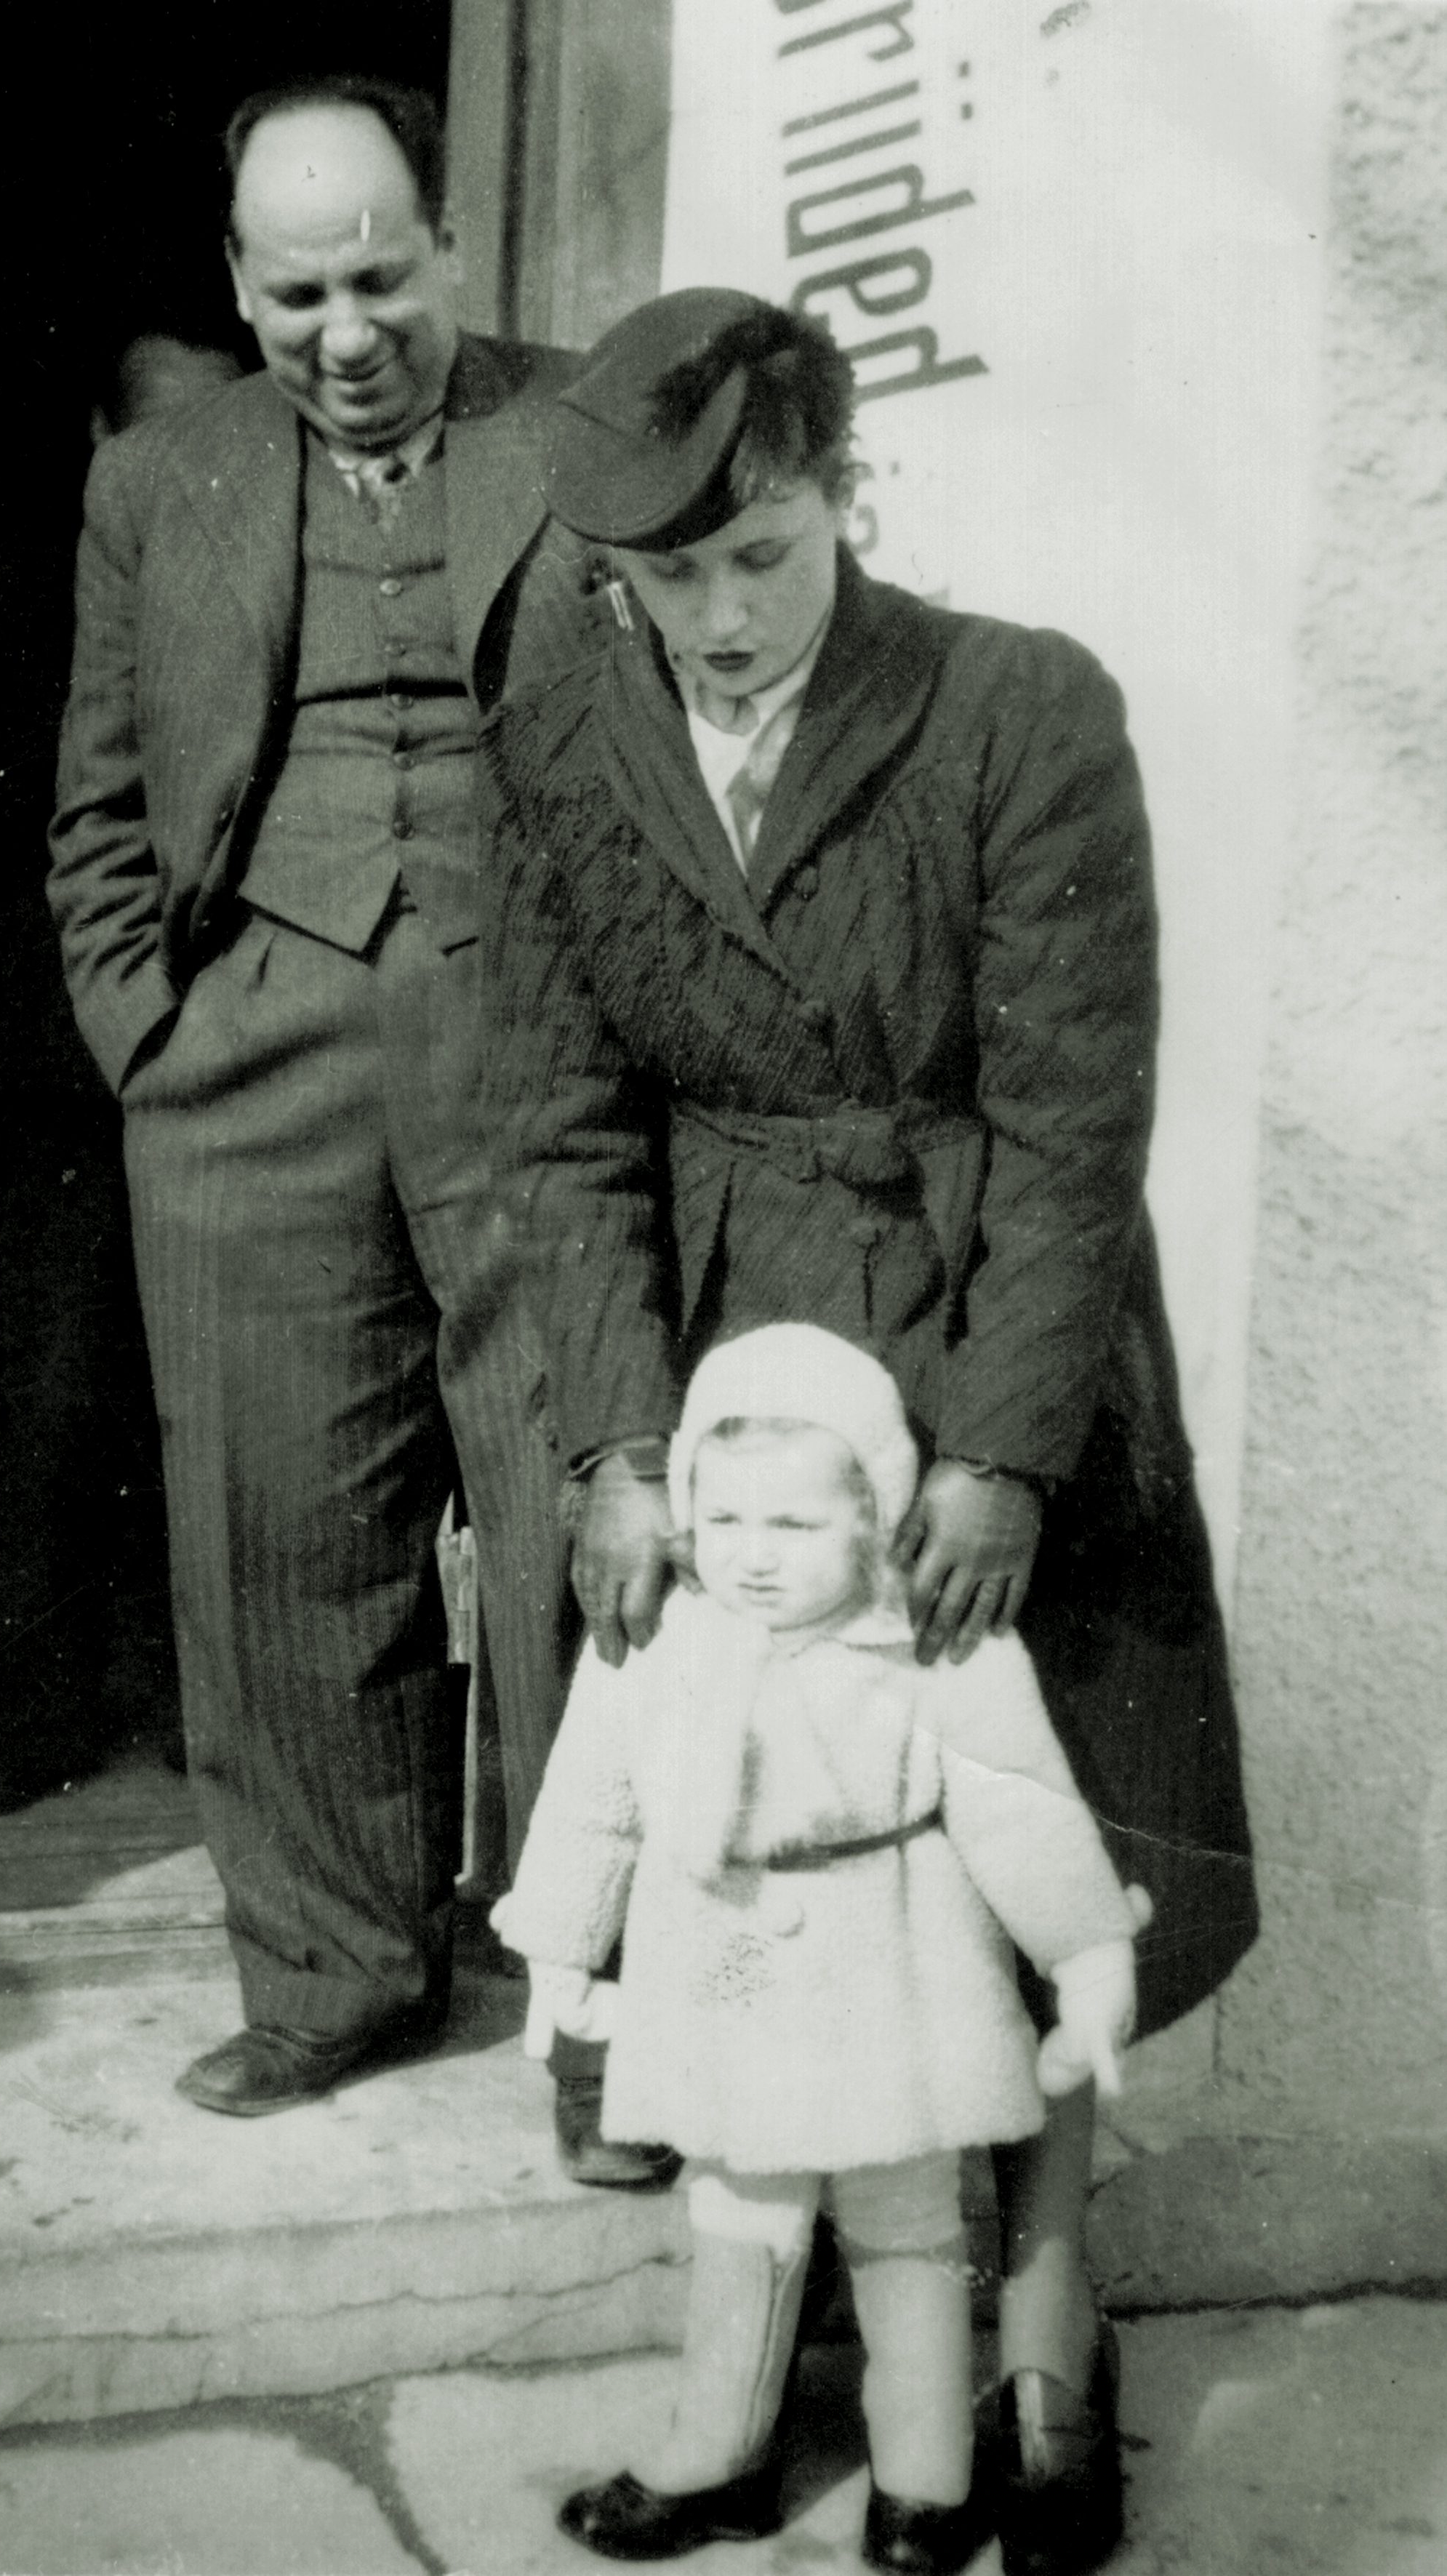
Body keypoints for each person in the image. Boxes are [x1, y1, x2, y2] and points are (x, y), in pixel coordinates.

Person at [481, 289, 1260, 2569]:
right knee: (761, 1841)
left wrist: (1004, 1455)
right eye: (674, 576)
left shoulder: (1017, 707)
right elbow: (560, 1122)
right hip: (737, 1376)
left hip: (988, 1304)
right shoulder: (562, 739)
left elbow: (1072, 1117)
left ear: (843, 493)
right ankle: (785, 2346)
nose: (725, 616)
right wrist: (620, 1447)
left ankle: (1043, 2343)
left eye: (766, 552)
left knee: (1022, 1824)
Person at [45, 75, 661, 2175]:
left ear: (451, 248)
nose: (347, 331)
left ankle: (609, 2023)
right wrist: (154, 1040)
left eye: (382, 277)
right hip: (255, 1063)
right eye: (299, 292)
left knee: (583, 1531)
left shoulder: (583, 427)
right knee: (278, 1531)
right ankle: (332, 1970)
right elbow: (98, 809)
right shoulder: (162, 478)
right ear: (240, 286)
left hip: (542, 1058)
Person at [496, 1326, 1148, 2572]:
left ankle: (925, 2484)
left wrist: (1085, 1952)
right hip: (724, 1969)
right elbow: (593, 1800)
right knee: (741, 2209)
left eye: (795, 1526)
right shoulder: (661, 1636)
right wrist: (561, 1953)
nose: (753, 1555)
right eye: (725, 1519)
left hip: (890, 1966)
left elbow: (1019, 1803)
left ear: (877, 1516)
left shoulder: (933, 1642)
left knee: (907, 2225)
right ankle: (718, 2452)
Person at [0, 332, 241, 1823]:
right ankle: (26, 1712)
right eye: (159, 434)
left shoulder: (271, 580)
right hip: (64, 1064)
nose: (190, 467)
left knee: (231, 1391)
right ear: (102, 442)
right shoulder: (21, 609)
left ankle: (208, 1703)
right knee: (53, 1396)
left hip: (233, 1052)